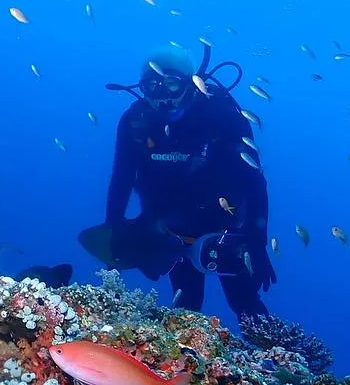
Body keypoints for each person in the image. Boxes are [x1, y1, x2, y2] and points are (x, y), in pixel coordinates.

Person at [97, 43, 275, 316]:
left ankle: (274, 357)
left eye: (171, 85)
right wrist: (113, 230)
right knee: (185, 307)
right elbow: (121, 177)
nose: (162, 96)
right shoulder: (135, 121)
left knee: (245, 303)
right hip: (169, 230)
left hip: (225, 226)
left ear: (191, 84)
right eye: (151, 86)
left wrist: (257, 241)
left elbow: (254, 181)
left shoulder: (222, 115)